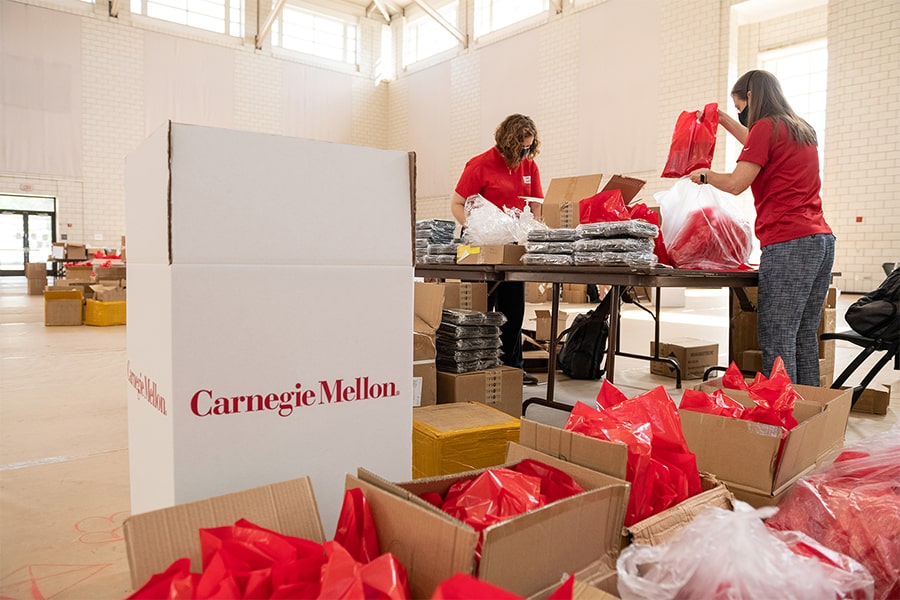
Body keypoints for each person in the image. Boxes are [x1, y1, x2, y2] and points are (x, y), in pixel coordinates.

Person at [689, 70, 835, 386]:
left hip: (789, 242)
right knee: (803, 335)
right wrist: (724, 120)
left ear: (752, 97)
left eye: (741, 106)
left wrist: (706, 175)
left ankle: (780, 422)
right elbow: (756, 142)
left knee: (778, 334)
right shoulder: (801, 129)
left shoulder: (765, 127)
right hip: (821, 240)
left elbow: (737, 183)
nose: (742, 112)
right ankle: (807, 417)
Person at [451, 114, 544, 386]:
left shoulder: (530, 166)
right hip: (478, 246)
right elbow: (457, 204)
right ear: (506, 143)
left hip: (512, 246)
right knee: (480, 308)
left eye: (528, 148)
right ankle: (474, 366)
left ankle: (512, 367)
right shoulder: (479, 165)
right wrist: (480, 228)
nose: (524, 153)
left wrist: (532, 229)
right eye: (520, 148)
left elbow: (535, 204)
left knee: (513, 310)